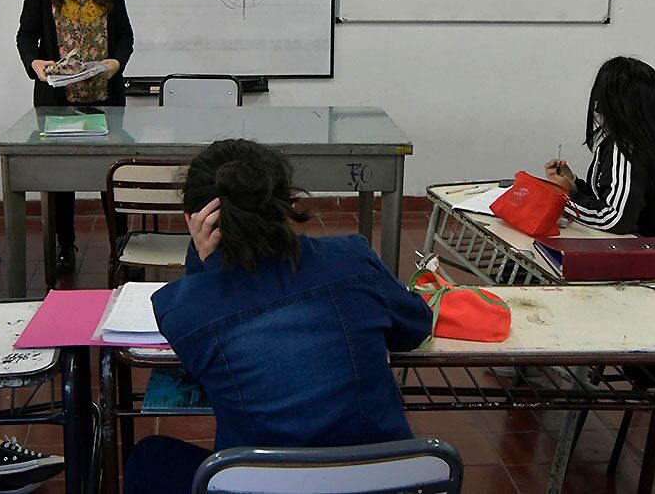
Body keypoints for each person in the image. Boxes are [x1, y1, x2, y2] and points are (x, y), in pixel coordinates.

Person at [124, 139, 434, 494]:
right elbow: (416, 327)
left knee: (148, 457)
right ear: (287, 205)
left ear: (192, 220)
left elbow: (201, 373)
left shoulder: (180, 309)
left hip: (264, 484)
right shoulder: (353, 257)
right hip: (385, 481)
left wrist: (203, 261)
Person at [16, 0, 134, 273]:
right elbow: (26, 36)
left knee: (112, 175)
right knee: (61, 175)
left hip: (105, 97)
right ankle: (64, 244)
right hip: (57, 98)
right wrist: (36, 64)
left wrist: (115, 63)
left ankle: (120, 246)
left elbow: (125, 37)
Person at [545, 56, 655, 248]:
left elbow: (615, 219)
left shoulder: (627, 147)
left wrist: (564, 196)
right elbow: (617, 199)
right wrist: (574, 185)